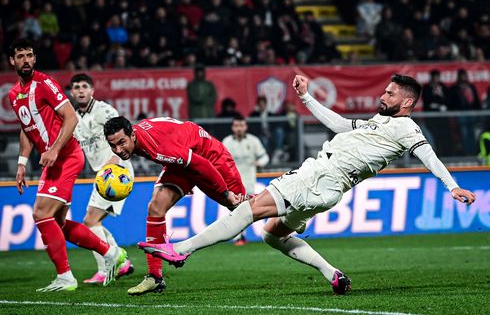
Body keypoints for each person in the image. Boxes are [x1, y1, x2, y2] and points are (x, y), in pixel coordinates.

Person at [138, 74, 476, 295]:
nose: (383, 94)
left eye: (390, 93)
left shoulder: (407, 129)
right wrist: (307, 98)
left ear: (407, 102)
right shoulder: (380, 121)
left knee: (249, 209)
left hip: (320, 175)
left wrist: (451, 187)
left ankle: (180, 250)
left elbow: (428, 156)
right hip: (330, 191)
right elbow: (342, 124)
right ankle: (333, 274)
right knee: (272, 234)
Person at [8, 39, 126, 292]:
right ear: (12, 61)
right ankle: (111, 254)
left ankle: (65, 277)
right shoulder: (13, 94)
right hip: (53, 159)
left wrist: (53, 149)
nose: (26, 60)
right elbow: (27, 129)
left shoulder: (44, 83)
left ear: (35, 59)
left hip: (66, 156)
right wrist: (21, 163)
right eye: (20, 56)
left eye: (30, 55)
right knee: (57, 223)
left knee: (41, 214)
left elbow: (70, 117)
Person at [103, 116, 246, 295]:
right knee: (156, 207)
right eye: (113, 146)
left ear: (132, 135)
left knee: (244, 208)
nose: (118, 150)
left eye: (121, 143)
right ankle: (154, 278)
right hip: (185, 156)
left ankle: (285, 214)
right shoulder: (144, 141)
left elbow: (202, 164)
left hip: (209, 156)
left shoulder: (158, 147)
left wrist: (225, 194)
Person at [70, 73, 134, 284]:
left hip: (116, 171)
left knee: (90, 221)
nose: (80, 90)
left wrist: (112, 163)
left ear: (92, 91)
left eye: (84, 86)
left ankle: (106, 267)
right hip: (103, 174)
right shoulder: (75, 119)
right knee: (91, 221)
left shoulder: (104, 111)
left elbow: (122, 138)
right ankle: (119, 261)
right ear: (72, 92)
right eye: (77, 87)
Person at [222, 116, 269, 245]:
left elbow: (265, 157)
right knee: (235, 209)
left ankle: (240, 236)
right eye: (236, 126)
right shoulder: (227, 142)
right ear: (232, 127)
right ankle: (239, 236)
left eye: (241, 125)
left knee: (245, 209)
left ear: (246, 127)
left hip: (249, 182)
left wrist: (259, 162)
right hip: (232, 182)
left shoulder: (253, 141)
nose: (239, 128)